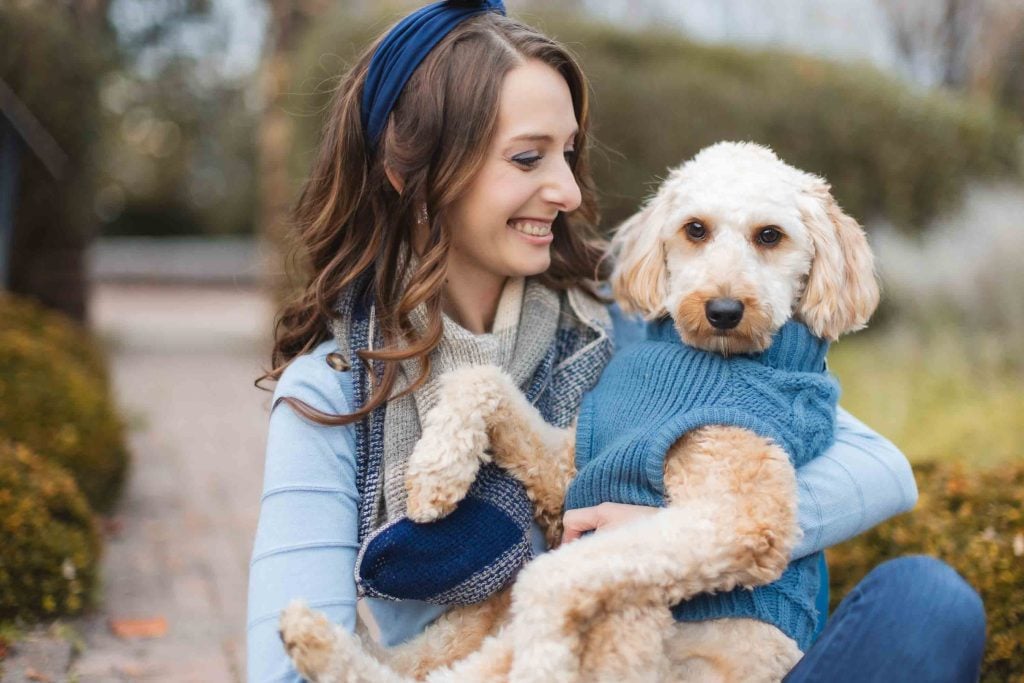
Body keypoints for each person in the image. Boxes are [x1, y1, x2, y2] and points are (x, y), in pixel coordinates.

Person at [247, 2, 984, 681]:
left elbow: (877, 466)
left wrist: (674, 540)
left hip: (696, 658)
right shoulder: (331, 391)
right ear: (410, 171)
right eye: (528, 158)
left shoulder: (630, 315)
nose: (568, 189)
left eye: (568, 153)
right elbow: (285, 665)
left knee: (926, 603)